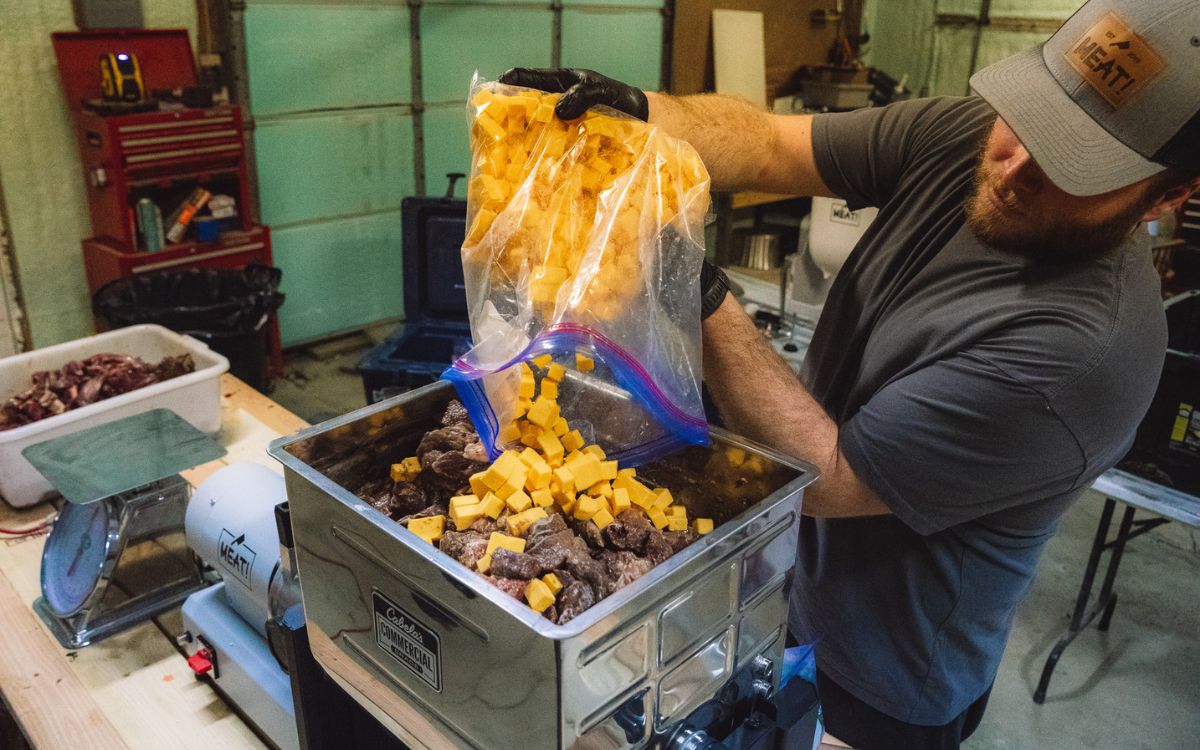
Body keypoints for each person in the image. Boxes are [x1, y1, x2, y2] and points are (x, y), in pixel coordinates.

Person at [502, 0, 1200, 747]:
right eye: (1029, 121)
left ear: (1169, 196)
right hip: (783, 586)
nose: (1018, 166)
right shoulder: (968, 139)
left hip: (881, 673)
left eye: (1075, 165)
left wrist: (692, 288)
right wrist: (639, 117)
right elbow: (769, 145)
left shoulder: (1082, 353)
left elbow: (832, 478)